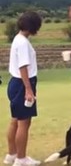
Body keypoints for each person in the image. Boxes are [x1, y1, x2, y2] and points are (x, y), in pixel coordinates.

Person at [4, 11, 43, 166]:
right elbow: (23, 67)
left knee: (15, 121)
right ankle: (21, 159)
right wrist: (28, 89)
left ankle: (12, 154)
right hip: (22, 84)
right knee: (23, 123)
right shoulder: (23, 43)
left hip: (15, 84)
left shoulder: (17, 38)